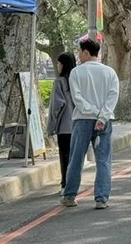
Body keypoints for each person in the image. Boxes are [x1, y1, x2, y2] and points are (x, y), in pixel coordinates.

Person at [61, 39, 119, 209]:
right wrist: (102, 116)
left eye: (80, 52)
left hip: (82, 120)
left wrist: (92, 111)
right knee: (103, 159)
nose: (79, 56)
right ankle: (101, 198)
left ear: (86, 52)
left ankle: (70, 195)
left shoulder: (76, 73)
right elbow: (112, 96)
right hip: (104, 121)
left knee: (76, 158)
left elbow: (77, 98)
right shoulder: (110, 72)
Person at [47, 52, 76, 196]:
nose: (57, 65)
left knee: (64, 156)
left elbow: (56, 105)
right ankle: (74, 183)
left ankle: (65, 184)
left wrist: (52, 123)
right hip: (77, 124)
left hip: (64, 125)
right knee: (74, 156)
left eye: (58, 63)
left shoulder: (59, 82)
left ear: (63, 65)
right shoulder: (76, 80)